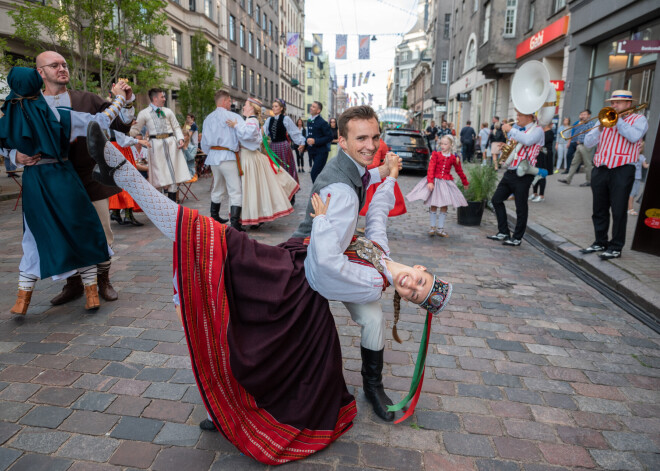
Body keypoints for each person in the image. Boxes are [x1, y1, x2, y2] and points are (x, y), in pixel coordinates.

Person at [86, 119, 451, 464]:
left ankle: (249, 404)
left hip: (302, 276)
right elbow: (379, 214)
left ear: (408, 299)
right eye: (421, 281)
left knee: (224, 262)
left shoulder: (375, 281)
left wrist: (323, 224)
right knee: (216, 242)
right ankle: (121, 172)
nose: (412, 286)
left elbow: (326, 270)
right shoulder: (380, 246)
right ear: (419, 269)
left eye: (415, 295)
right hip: (294, 265)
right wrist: (387, 175)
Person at [293, 105, 403, 422]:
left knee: (372, 319)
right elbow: (326, 263)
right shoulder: (340, 192)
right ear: (342, 141)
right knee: (289, 336)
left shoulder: (349, 165)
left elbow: (365, 175)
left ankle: (373, 385)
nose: (371, 145)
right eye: (361, 138)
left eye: (375, 137)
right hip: (308, 260)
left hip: (338, 250)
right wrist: (377, 281)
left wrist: (386, 171)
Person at [0, 67, 129, 315]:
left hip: (35, 182)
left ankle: (22, 299)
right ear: (39, 82)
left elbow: (3, 146)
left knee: (34, 237)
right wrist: (120, 99)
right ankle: (91, 293)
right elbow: (102, 120)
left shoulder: (8, 119)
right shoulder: (58, 115)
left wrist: (13, 154)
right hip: (63, 179)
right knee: (82, 231)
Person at [29, 51, 135, 307]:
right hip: (54, 184)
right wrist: (17, 155)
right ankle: (74, 284)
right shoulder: (33, 105)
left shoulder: (85, 99)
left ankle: (103, 281)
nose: (61, 68)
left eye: (64, 64)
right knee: (65, 234)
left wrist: (127, 102)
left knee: (102, 231)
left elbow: (119, 126)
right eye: (54, 65)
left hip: (89, 178)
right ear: (40, 73)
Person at [581, 90, 648, 260]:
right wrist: (599, 128)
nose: (613, 106)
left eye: (617, 102)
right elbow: (588, 143)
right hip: (601, 168)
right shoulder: (604, 119)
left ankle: (616, 246)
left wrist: (617, 121)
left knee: (618, 210)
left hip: (623, 169)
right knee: (599, 208)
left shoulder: (639, 119)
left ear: (628, 104)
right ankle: (600, 241)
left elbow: (634, 137)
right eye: (612, 102)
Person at [227, 97, 299, 226]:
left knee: (251, 187)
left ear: (252, 108)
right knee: (252, 187)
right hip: (250, 155)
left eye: (245, 105)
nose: (243, 107)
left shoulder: (252, 121)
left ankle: (254, 217)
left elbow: (247, 135)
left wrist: (236, 125)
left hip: (252, 156)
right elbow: (259, 136)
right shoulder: (252, 121)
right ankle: (252, 217)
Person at [487, 109, 545, 246]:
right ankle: (503, 231)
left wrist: (510, 130)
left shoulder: (537, 130)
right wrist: (505, 147)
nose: (517, 117)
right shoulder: (520, 130)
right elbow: (516, 147)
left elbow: (528, 141)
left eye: (520, 115)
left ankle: (517, 237)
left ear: (529, 116)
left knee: (520, 207)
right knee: (496, 200)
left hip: (524, 173)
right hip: (511, 171)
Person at [131, 88, 190, 201]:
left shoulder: (168, 111)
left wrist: (180, 139)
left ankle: (173, 206)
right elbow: (135, 130)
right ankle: (161, 207)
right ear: (155, 98)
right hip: (155, 147)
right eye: (162, 97)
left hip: (171, 145)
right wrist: (128, 125)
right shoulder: (144, 113)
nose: (164, 99)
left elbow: (176, 127)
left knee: (173, 176)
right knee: (158, 178)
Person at [406, 134, 468, 237]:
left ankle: (440, 228)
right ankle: (432, 227)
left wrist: (465, 182)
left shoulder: (454, 158)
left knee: (444, 205)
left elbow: (459, 170)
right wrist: (430, 181)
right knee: (433, 204)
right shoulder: (436, 155)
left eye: (445, 144)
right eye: (441, 144)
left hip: (446, 183)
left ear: (451, 145)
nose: (443, 146)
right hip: (435, 182)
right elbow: (431, 168)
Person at [201, 90, 244, 231]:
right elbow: (242, 135)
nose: (230, 103)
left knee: (217, 187)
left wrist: (211, 153)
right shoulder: (233, 116)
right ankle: (235, 223)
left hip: (214, 156)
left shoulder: (208, 118)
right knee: (235, 190)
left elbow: (204, 142)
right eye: (230, 101)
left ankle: (214, 217)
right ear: (225, 101)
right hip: (228, 156)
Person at [358, 137, 407, 221]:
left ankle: (369, 225)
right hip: (380, 175)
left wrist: (361, 165)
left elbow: (374, 163)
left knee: (372, 204)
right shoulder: (381, 143)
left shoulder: (377, 145)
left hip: (378, 177)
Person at [108, 131, 150, 226]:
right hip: (120, 148)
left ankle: (116, 212)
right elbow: (122, 140)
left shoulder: (110, 118)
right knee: (129, 180)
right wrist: (138, 140)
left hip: (114, 147)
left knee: (119, 181)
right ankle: (128, 215)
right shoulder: (119, 119)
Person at [263, 99, 305, 193]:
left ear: (281, 108)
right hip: (273, 147)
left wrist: (301, 142)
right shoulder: (269, 120)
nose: (274, 108)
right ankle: (277, 193)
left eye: (276, 106)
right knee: (274, 170)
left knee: (285, 169)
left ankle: (290, 192)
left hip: (283, 147)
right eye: (273, 106)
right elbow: (263, 133)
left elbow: (294, 132)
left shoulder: (286, 119)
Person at [558, 109, 595, 187]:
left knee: (587, 164)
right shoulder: (582, 123)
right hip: (580, 145)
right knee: (574, 163)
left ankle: (589, 181)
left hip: (586, 146)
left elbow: (590, 136)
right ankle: (568, 179)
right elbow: (577, 132)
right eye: (582, 114)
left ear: (589, 115)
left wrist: (581, 140)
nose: (583, 116)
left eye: (585, 114)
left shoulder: (591, 124)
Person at [306, 101, 334, 182]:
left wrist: (315, 141)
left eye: (313, 107)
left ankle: (317, 192)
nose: (311, 107)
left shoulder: (322, 122)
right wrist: (304, 145)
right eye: (311, 106)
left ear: (318, 111)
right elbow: (309, 134)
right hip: (313, 151)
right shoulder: (309, 120)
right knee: (319, 174)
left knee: (314, 173)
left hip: (321, 152)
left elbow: (330, 137)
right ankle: (321, 192)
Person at [529, 123, 555, 203]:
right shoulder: (541, 131)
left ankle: (541, 195)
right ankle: (535, 193)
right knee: (535, 174)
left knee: (541, 175)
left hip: (545, 156)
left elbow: (541, 143)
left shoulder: (549, 132)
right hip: (538, 155)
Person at [628, 140, 648, 216]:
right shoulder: (631, 156)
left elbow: (645, 166)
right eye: (638, 147)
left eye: (641, 148)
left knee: (635, 193)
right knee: (632, 194)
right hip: (632, 177)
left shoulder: (642, 157)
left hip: (638, 178)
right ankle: (630, 209)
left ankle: (629, 208)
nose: (639, 149)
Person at [182, 113, 199, 182]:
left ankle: (195, 173)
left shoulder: (193, 125)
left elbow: (189, 134)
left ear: (192, 118)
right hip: (189, 144)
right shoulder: (189, 125)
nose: (187, 119)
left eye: (189, 117)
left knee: (191, 159)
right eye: (187, 117)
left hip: (192, 145)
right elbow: (186, 132)